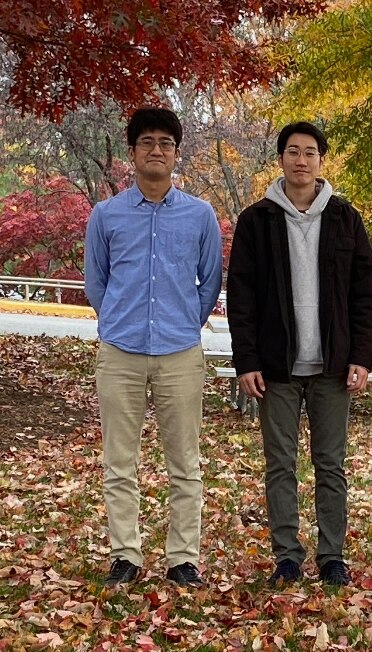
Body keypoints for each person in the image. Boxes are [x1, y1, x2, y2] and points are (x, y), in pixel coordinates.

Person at [227, 122, 372, 587]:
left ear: (321, 161)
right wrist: (247, 360)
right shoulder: (258, 219)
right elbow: (242, 295)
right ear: (281, 159)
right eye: (292, 151)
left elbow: (363, 291)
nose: (301, 159)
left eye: (310, 152)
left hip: (333, 365)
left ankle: (332, 555)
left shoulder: (344, 217)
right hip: (276, 368)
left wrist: (361, 354)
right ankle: (287, 555)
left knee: (331, 464)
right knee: (281, 464)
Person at [84, 107, 223, 588]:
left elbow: (209, 284)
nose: (157, 150)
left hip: (180, 353)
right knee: (119, 461)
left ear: (177, 153)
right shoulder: (106, 215)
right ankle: (125, 554)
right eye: (147, 142)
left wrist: (185, 322)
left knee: (184, 462)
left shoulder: (200, 215)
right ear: (132, 152)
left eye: (166, 142)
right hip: (120, 352)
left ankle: (183, 558)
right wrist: (118, 323)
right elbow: (96, 282)